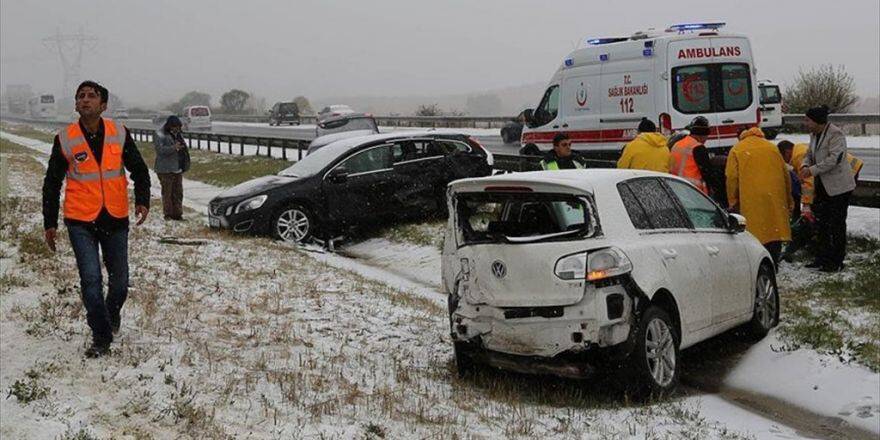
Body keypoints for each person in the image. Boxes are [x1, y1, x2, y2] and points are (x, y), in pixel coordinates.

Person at [42, 81, 151, 358]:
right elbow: (52, 183)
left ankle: (111, 312)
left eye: (93, 96)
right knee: (90, 279)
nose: (86, 100)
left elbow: (139, 169)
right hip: (80, 220)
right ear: (76, 105)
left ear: (103, 105)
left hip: (115, 217)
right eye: (81, 96)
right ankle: (101, 336)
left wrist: (142, 200)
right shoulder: (65, 138)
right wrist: (50, 223)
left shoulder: (119, 133)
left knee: (120, 283)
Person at [798, 105, 856, 272]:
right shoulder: (814, 135)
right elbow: (809, 153)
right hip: (822, 186)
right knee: (822, 223)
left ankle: (836, 260)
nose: (806, 123)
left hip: (839, 187)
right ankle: (822, 257)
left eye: (808, 120)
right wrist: (805, 164)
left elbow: (834, 160)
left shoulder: (835, 134)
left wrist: (812, 170)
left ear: (817, 121)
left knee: (836, 224)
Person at [726, 127, 793, 265]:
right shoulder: (772, 147)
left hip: (751, 198)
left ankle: (760, 263)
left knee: (755, 233)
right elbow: (786, 175)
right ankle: (774, 261)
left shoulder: (737, 149)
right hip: (775, 197)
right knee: (774, 231)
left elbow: (732, 177)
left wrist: (732, 201)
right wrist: (788, 200)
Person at [669, 117, 720, 197]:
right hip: (694, 191)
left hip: (677, 188)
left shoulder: (677, 145)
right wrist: (715, 188)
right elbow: (707, 172)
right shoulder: (698, 147)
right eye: (706, 136)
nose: (706, 139)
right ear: (702, 135)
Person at [154, 116, 190, 220]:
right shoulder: (160, 134)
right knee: (167, 193)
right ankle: (168, 214)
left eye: (179, 128)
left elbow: (182, 147)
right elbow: (160, 150)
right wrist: (174, 148)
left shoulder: (178, 135)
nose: (177, 130)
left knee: (178, 192)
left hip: (177, 168)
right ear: (170, 126)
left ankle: (178, 214)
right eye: (175, 127)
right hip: (165, 169)